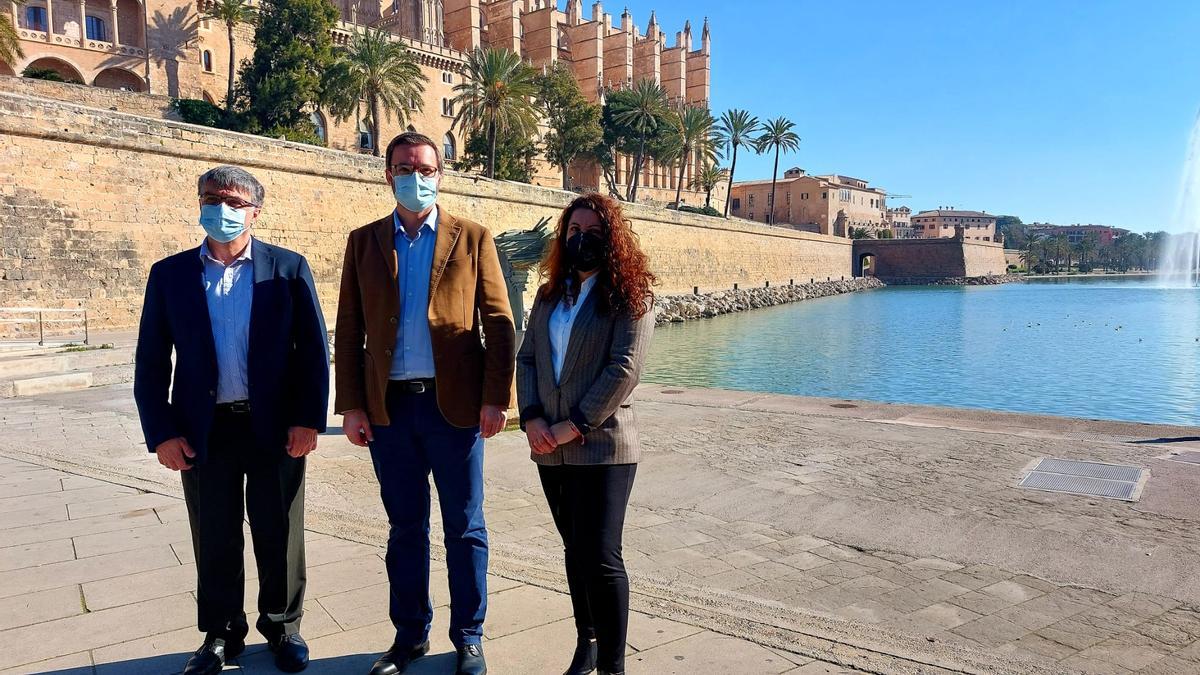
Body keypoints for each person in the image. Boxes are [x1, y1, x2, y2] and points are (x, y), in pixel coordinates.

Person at [133, 165, 329, 675]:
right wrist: (162, 433)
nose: (222, 209)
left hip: (274, 427)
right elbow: (152, 361)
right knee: (214, 534)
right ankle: (221, 634)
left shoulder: (286, 269)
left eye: (234, 201)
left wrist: (309, 420)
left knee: (280, 529)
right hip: (203, 431)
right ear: (199, 204)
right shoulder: (171, 275)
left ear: (256, 211)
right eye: (212, 198)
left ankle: (283, 627)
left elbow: (313, 353)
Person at [334, 132, 515, 675]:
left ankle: (469, 636)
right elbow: (349, 329)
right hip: (389, 411)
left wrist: (495, 398)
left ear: (441, 173)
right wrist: (351, 405)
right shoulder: (364, 242)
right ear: (387, 173)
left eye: (426, 167)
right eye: (405, 167)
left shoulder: (472, 238)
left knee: (464, 526)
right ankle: (409, 636)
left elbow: (501, 324)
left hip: (453, 407)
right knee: (405, 528)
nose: (416, 176)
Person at [516, 193, 657, 675]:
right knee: (574, 552)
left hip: (603, 446)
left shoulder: (631, 296)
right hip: (550, 450)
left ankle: (613, 667)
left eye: (593, 231)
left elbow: (624, 369)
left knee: (601, 555)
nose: (582, 239)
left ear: (612, 237)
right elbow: (528, 358)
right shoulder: (549, 295)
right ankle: (587, 642)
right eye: (574, 232)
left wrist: (573, 424)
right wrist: (532, 416)